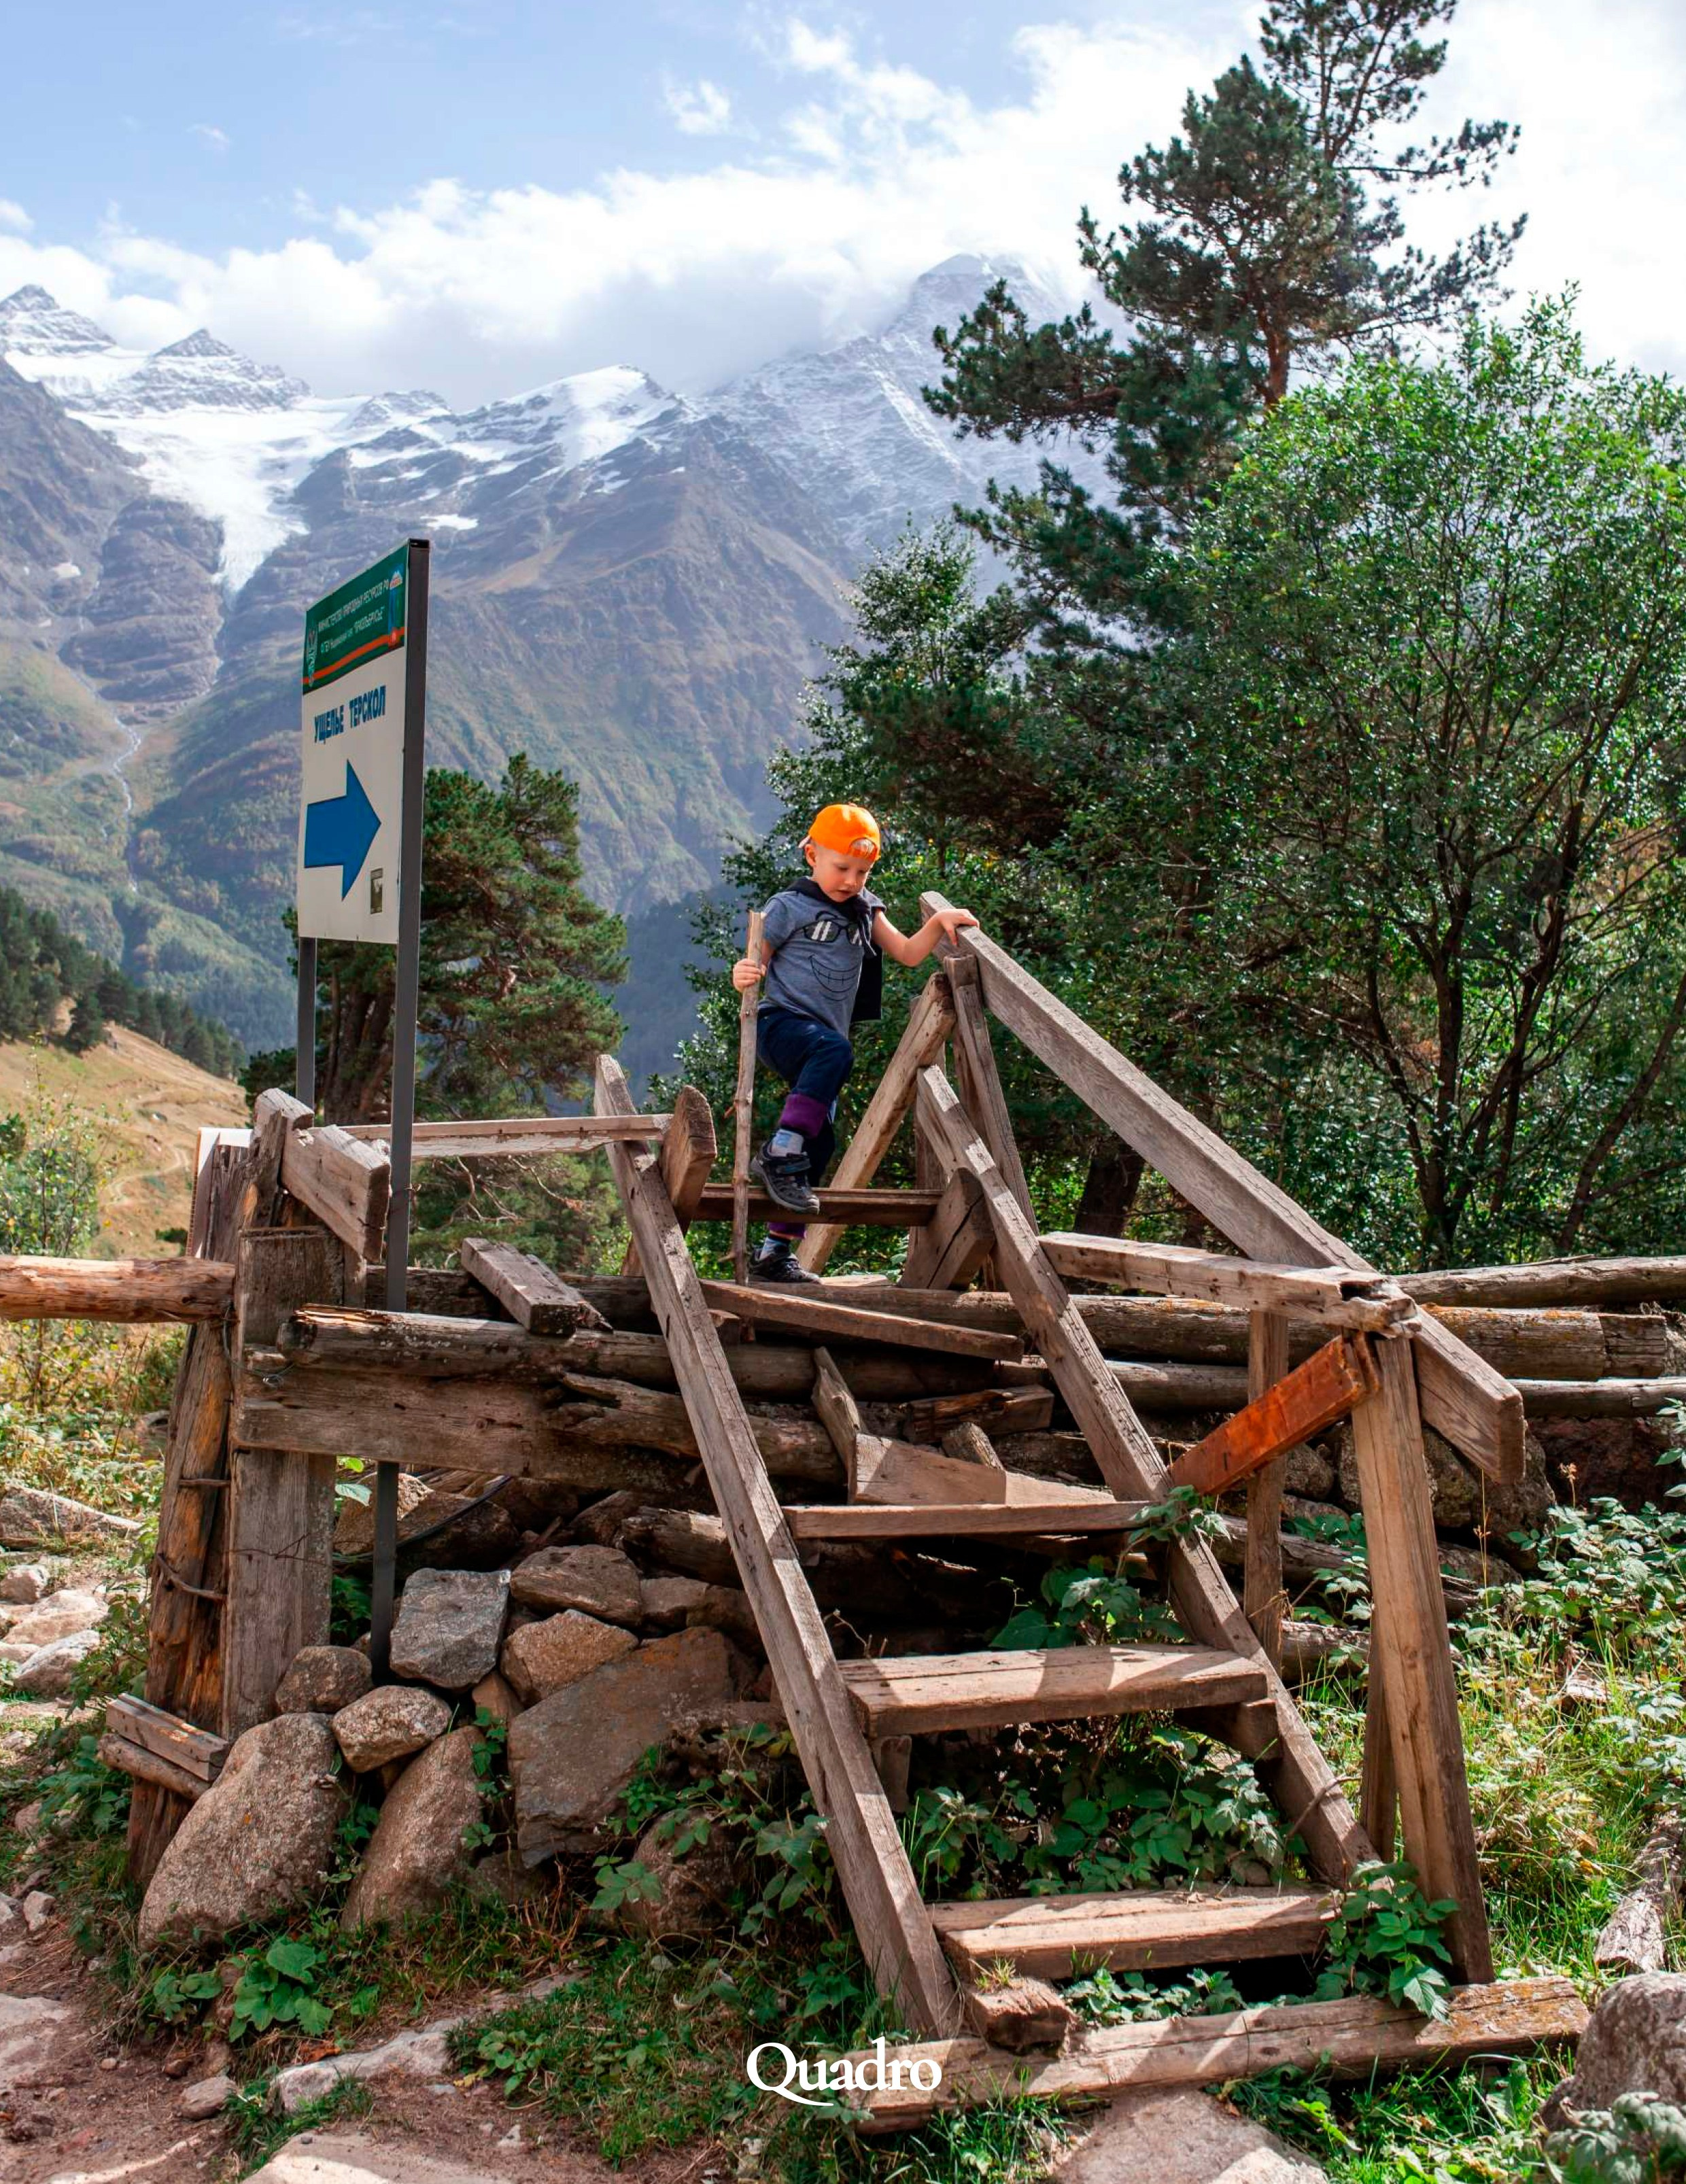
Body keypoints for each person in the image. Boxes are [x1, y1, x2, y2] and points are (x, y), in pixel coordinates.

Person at [731, 802, 978, 1284]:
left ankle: (773, 1254)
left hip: (823, 1041)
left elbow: (907, 953)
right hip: (781, 1023)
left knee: (821, 1140)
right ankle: (779, 1151)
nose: (850, 879)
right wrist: (744, 973)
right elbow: (755, 961)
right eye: (841, 867)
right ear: (811, 855)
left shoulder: (867, 908)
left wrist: (939, 922)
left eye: (862, 871)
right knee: (834, 1053)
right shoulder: (790, 905)